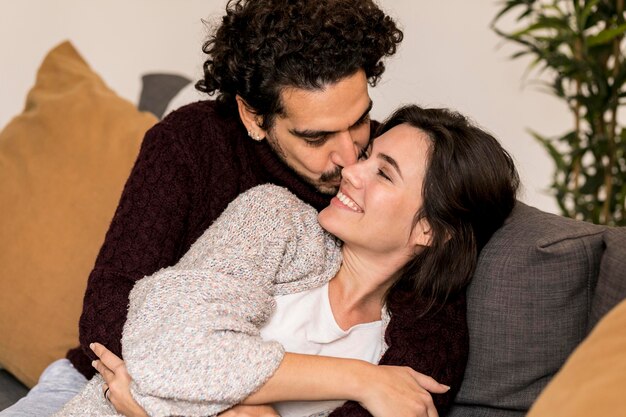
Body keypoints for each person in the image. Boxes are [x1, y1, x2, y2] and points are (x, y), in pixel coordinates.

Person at [54, 104, 520, 417]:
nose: (350, 170)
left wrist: (154, 408)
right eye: (368, 155)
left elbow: (149, 383)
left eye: (383, 173)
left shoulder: (404, 351)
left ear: (428, 231)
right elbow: (161, 351)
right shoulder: (274, 219)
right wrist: (360, 381)